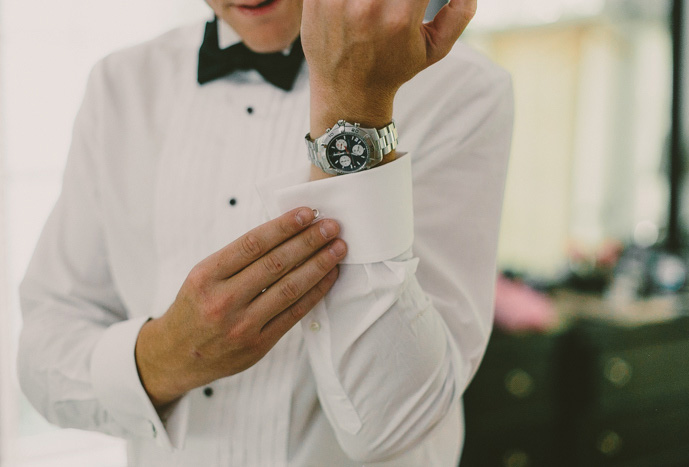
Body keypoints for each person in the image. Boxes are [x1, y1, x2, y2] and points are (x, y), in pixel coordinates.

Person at [17, 0, 513, 465]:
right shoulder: (121, 83)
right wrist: (168, 355)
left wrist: (354, 106)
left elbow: (394, 424)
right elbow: (43, 354)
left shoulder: (463, 89)